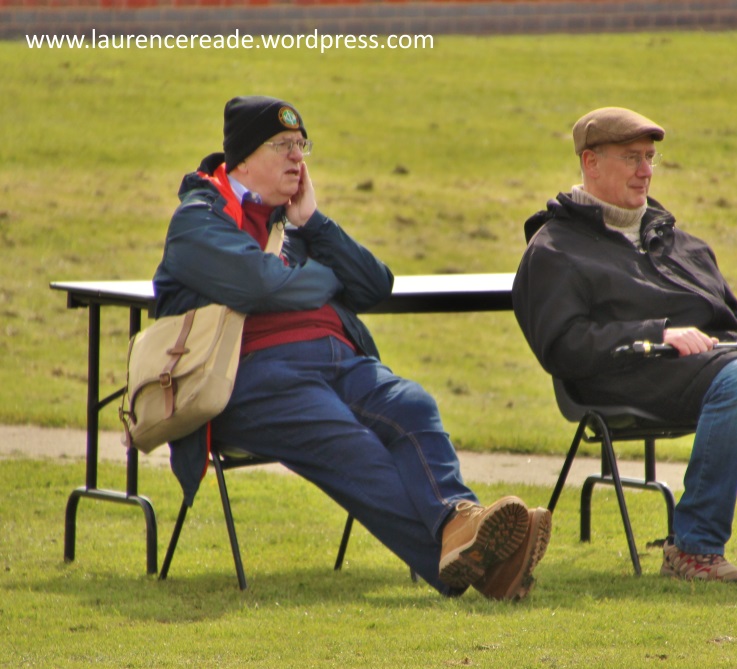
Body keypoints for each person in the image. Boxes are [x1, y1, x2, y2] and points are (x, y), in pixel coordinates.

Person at [153, 95, 550, 600]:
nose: (297, 157)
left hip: (339, 359)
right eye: (282, 145)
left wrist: (315, 223)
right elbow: (261, 285)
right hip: (252, 375)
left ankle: (460, 520)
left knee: (412, 403)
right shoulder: (199, 219)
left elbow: (375, 285)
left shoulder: (294, 222)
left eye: (301, 145)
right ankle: (484, 567)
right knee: (353, 446)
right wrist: (319, 276)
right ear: (243, 159)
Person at [512, 106, 737, 583]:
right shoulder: (553, 249)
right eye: (631, 158)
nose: (645, 170)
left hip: (717, 365)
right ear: (590, 162)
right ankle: (693, 548)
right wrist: (656, 334)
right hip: (624, 378)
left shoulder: (677, 240)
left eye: (649, 157)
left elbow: (721, 314)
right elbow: (561, 346)